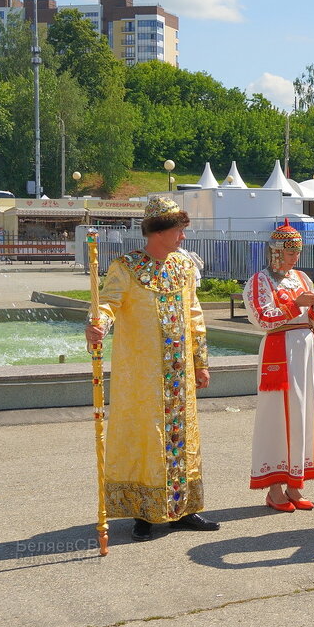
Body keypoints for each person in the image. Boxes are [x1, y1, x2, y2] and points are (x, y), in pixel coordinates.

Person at [85, 197, 219, 542]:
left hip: (179, 375)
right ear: (159, 231)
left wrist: (200, 362)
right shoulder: (126, 268)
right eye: (178, 230)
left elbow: (194, 315)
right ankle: (143, 512)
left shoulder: (184, 267)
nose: (183, 237)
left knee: (181, 438)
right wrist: (98, 324)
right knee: (144, 437)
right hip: (142, 378)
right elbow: (108, 304)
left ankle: (183, 509)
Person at [245, 221, 314, 511]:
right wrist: (296, 304)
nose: (295, 257)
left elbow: (310, 319)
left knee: (304, 413)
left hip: (306, 350)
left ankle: (295, 485)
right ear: (275, 252)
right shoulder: (259, 281)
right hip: (280, 351)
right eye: (290, 252)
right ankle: (274, 489)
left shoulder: (302, 278)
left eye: (297, 251)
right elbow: (263, 318)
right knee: (277, 417)